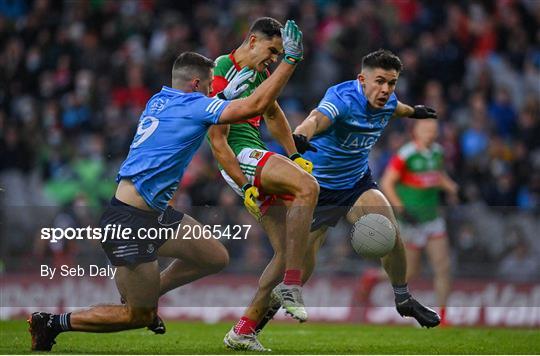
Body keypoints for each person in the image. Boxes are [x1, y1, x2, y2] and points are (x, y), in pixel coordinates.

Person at [27, 19, 304, 352]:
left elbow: (210, 108)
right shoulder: (194, 106)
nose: (212, 94)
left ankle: (145, 291)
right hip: (128, 221)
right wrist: (288, 61)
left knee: (214, 257)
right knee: (137, 315)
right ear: (197, 84)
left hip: (154, 213)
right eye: (208, 89)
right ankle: (53, 323)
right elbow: (255, 107)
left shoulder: (160, 100)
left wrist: (225, 94)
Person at [255, 49, 442, 338]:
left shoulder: (387, 99)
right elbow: (317, 117)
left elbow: (397, 107)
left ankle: (403, 298)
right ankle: (251, 328)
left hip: (356, 184)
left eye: (391, 83)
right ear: (361, 80)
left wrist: (414, 111)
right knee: (296, 272)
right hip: (317, 190)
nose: (385, 89)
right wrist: (302, 134)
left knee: (389, 231)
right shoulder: (341, 98)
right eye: (379, 81)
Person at [206, 17, 318, 352]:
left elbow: (273, 115)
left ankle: (244, 330)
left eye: (279, 53)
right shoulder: (223, 67)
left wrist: (295, 155)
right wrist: (245, 185)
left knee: (292, 252)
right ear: (252, 40)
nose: (273, 58)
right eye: (272, 50)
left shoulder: (259, 74)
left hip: (253, 154)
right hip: (239, 156)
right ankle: (292, 287)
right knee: (308, 188)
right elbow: (217, 138)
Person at [380, 119, 458, 326]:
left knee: (442, 267)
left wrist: (452, 188)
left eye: (433, 129)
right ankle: (372, 278)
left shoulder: (438, 152)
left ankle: (443, 316)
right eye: (426, 129)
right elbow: (387, 182)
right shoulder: (406, 154)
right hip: (410, 221)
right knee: (410, 271)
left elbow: (437, 175)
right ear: (415, 131)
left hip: (432, 219)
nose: (430, 132)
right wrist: (401, 209)